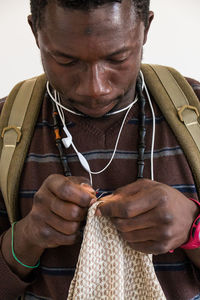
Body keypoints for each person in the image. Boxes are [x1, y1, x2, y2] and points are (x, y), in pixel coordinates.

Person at [1, 0, 200, 299]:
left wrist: (192, 231)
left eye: (118, 58)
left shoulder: (195, 111)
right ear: (35, 31)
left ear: (145, 26)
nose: (95, 89)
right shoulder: (5, 125)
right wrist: (27, 237)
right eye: (66, 60)